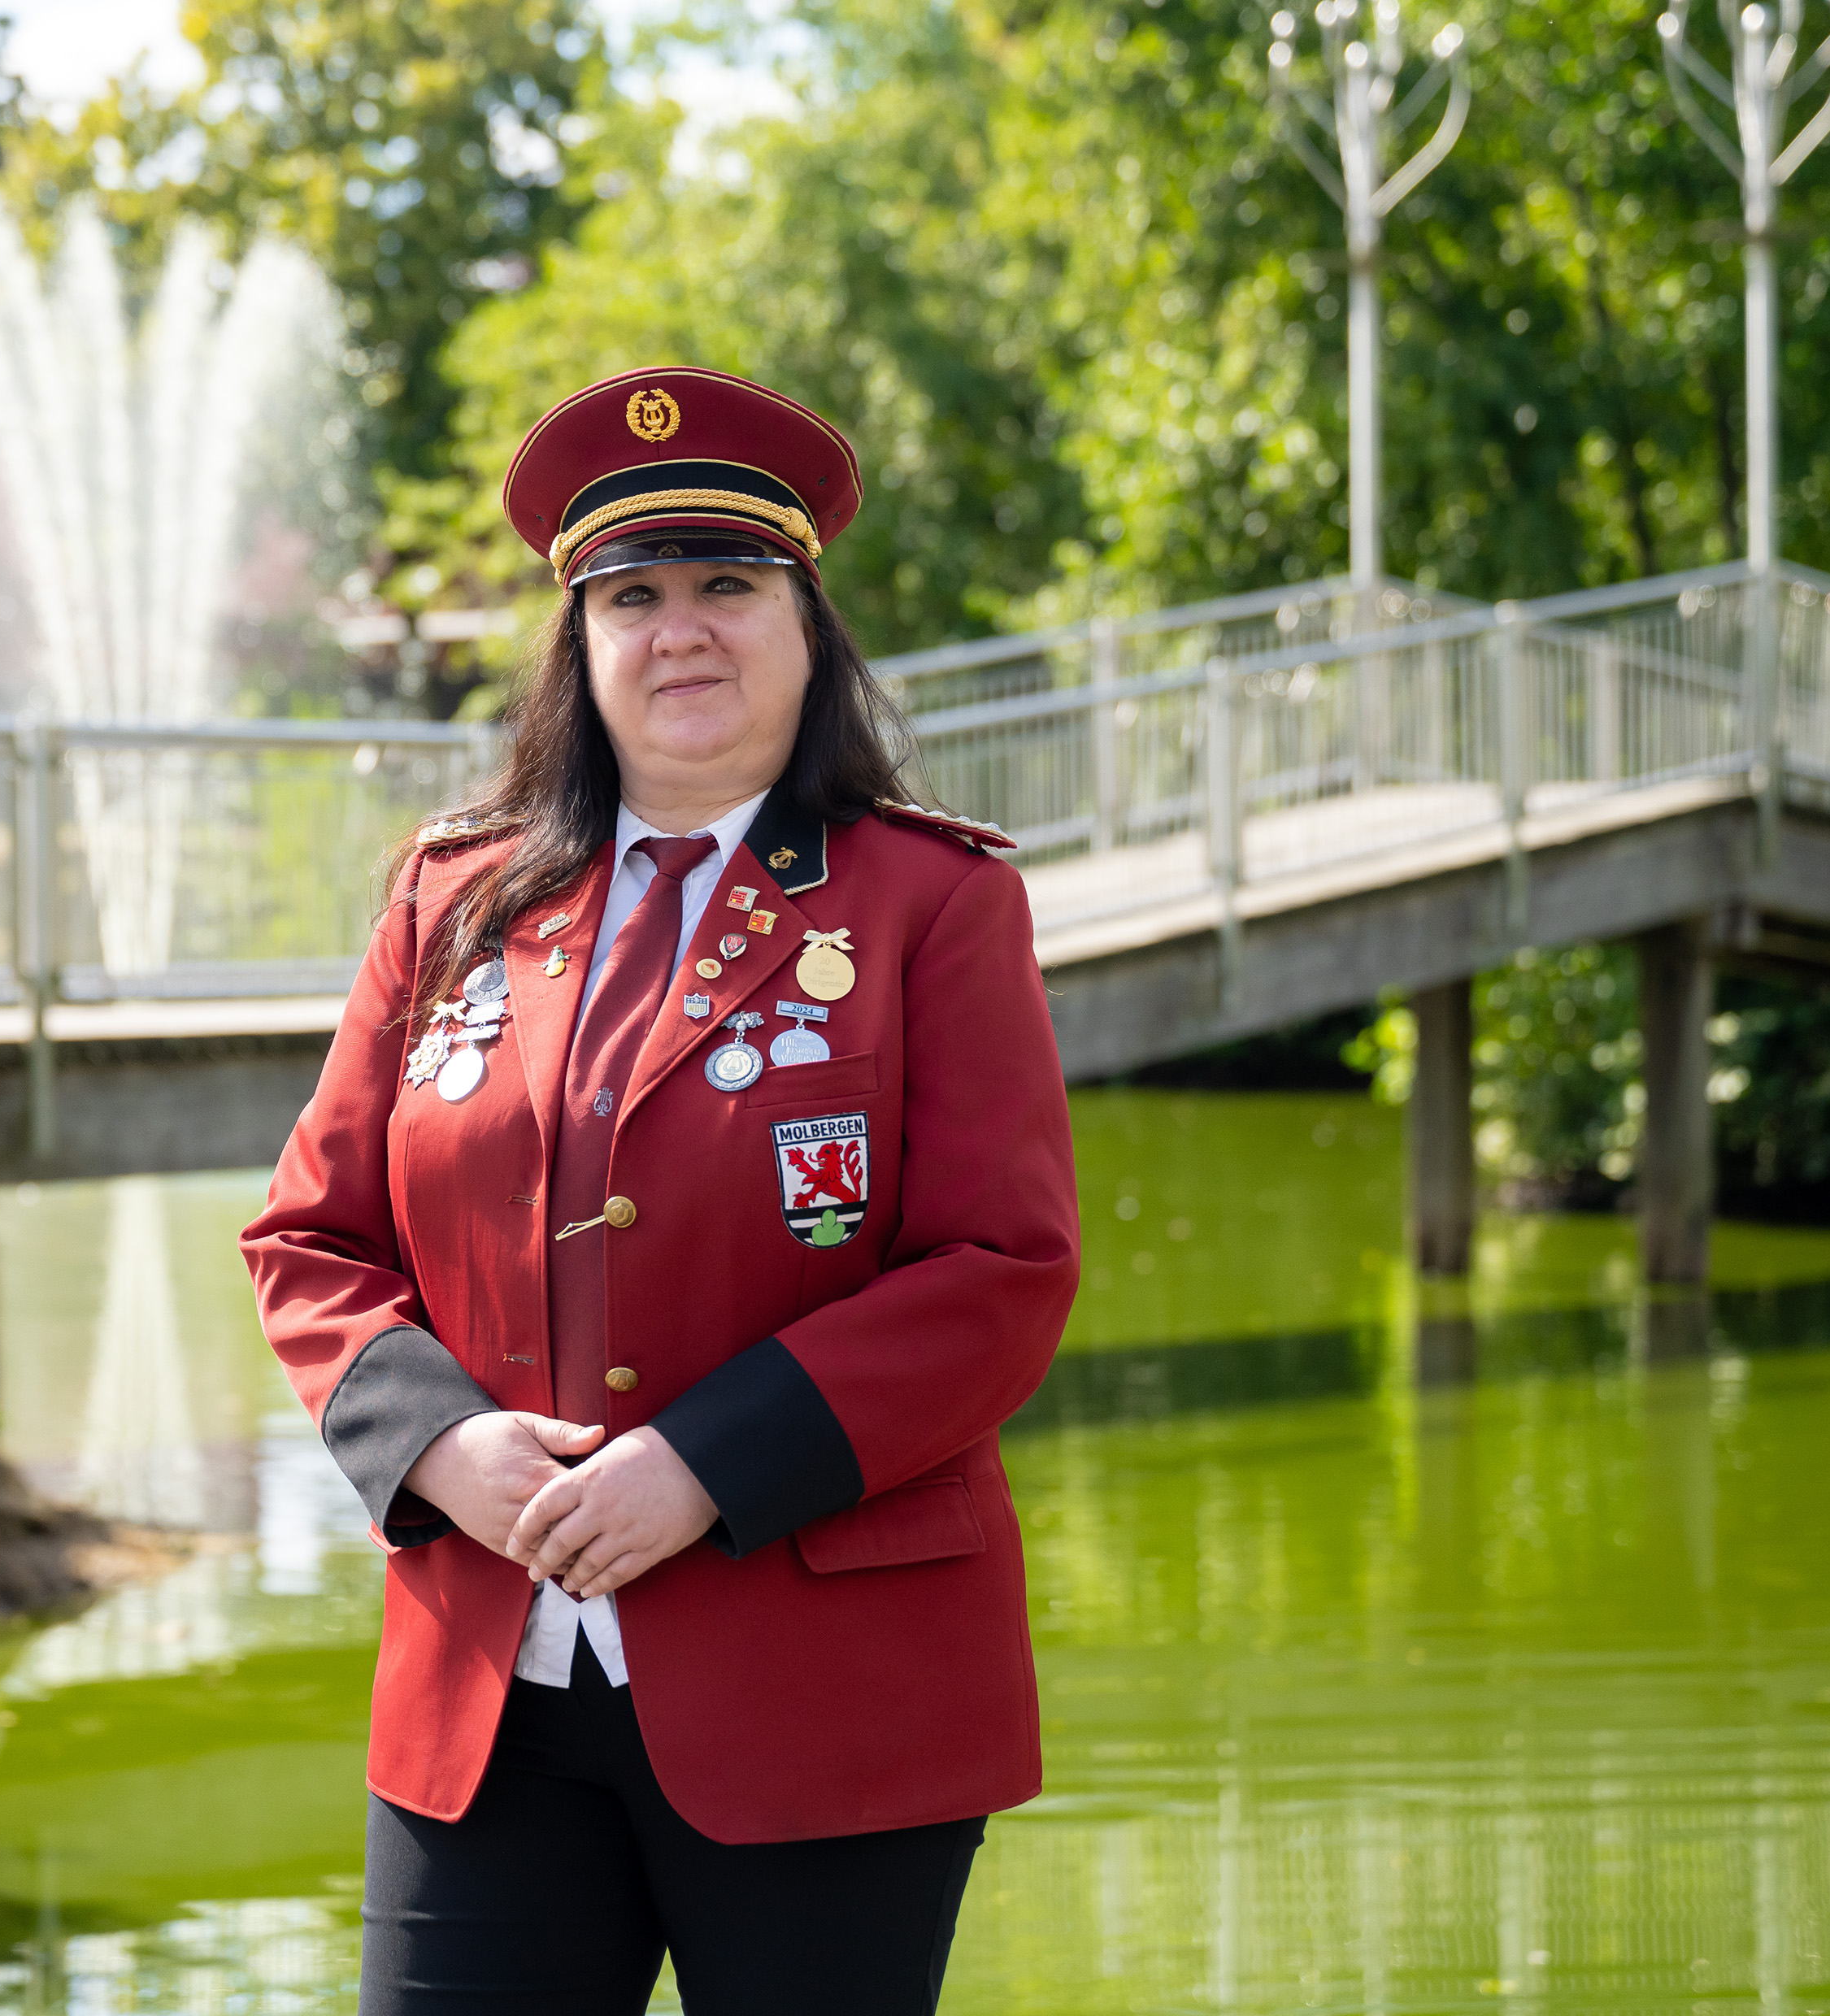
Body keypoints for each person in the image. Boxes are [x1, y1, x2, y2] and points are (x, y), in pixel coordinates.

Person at [241, 366, 1080, 2015]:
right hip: (489, 1685)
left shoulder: (929, 902)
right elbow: (310, 1238)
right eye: (631, 596)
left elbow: (999, 1268)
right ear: (580, 641)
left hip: (828, 1694)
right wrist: (439, 1445)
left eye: (726, 585)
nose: (678, 630)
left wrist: (701, 1465)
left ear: (806, 627)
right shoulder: (452, 902)